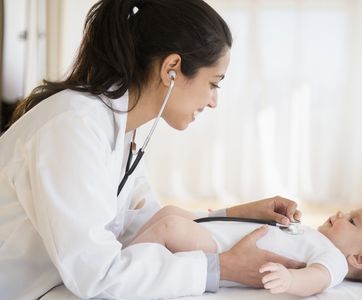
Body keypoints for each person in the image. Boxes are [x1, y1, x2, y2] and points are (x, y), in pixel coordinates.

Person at [0, 0, 305, 299]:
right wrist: (221, 269)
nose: (214, 102)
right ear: (172, 68)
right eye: (214, 83)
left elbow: (151, 225)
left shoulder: (118, 127)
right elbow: (97, 275)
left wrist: (236, 214)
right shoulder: (72, 128)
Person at [129, 205, 362, 297]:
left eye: (352, 221)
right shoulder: (315, 236)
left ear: (360, 259)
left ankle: (122, 262)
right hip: (215, 231)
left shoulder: (335, 260)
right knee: (171, 212)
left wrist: (291, 280)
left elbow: (319, 278)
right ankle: (129, 249)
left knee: (170, 226)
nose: (342, 213)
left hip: (219, 247)